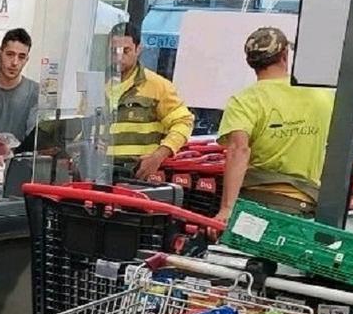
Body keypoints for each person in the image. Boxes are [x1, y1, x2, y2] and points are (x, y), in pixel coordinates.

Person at [214, 27, 334, 221]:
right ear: (285, 55)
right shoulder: (322, 96)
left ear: (250, 62)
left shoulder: (244, 100)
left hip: (254, 202)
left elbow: (238, 151)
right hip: (303, 202)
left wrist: (227, 208)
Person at [106, 22, 194, 180]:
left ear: (138, 49)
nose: (119, 57)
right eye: (114, 51)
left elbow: (184, 122)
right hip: (98, 174)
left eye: (126, 51)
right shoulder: (97, 85)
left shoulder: (157, 86)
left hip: (138, 175)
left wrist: (158, 156)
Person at [0, 28, 40, 143]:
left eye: (21, 57)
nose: (15, 62)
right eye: (10, 54)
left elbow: (36, 139)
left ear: (27, 60)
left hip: (22, 158)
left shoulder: (35, 92)